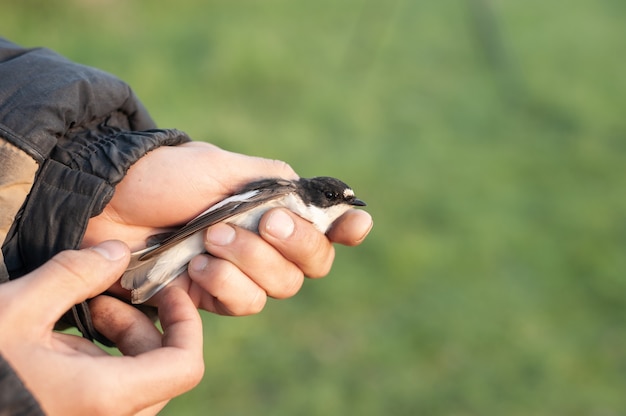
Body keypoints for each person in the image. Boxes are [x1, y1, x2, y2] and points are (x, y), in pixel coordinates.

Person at [0, 38, 372, 414]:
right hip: (184, 237)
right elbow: (225, 208)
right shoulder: (284, 190)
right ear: (313, 192)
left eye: (347, 201)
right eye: (334, 198)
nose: (345, 205)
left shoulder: (307, 218)